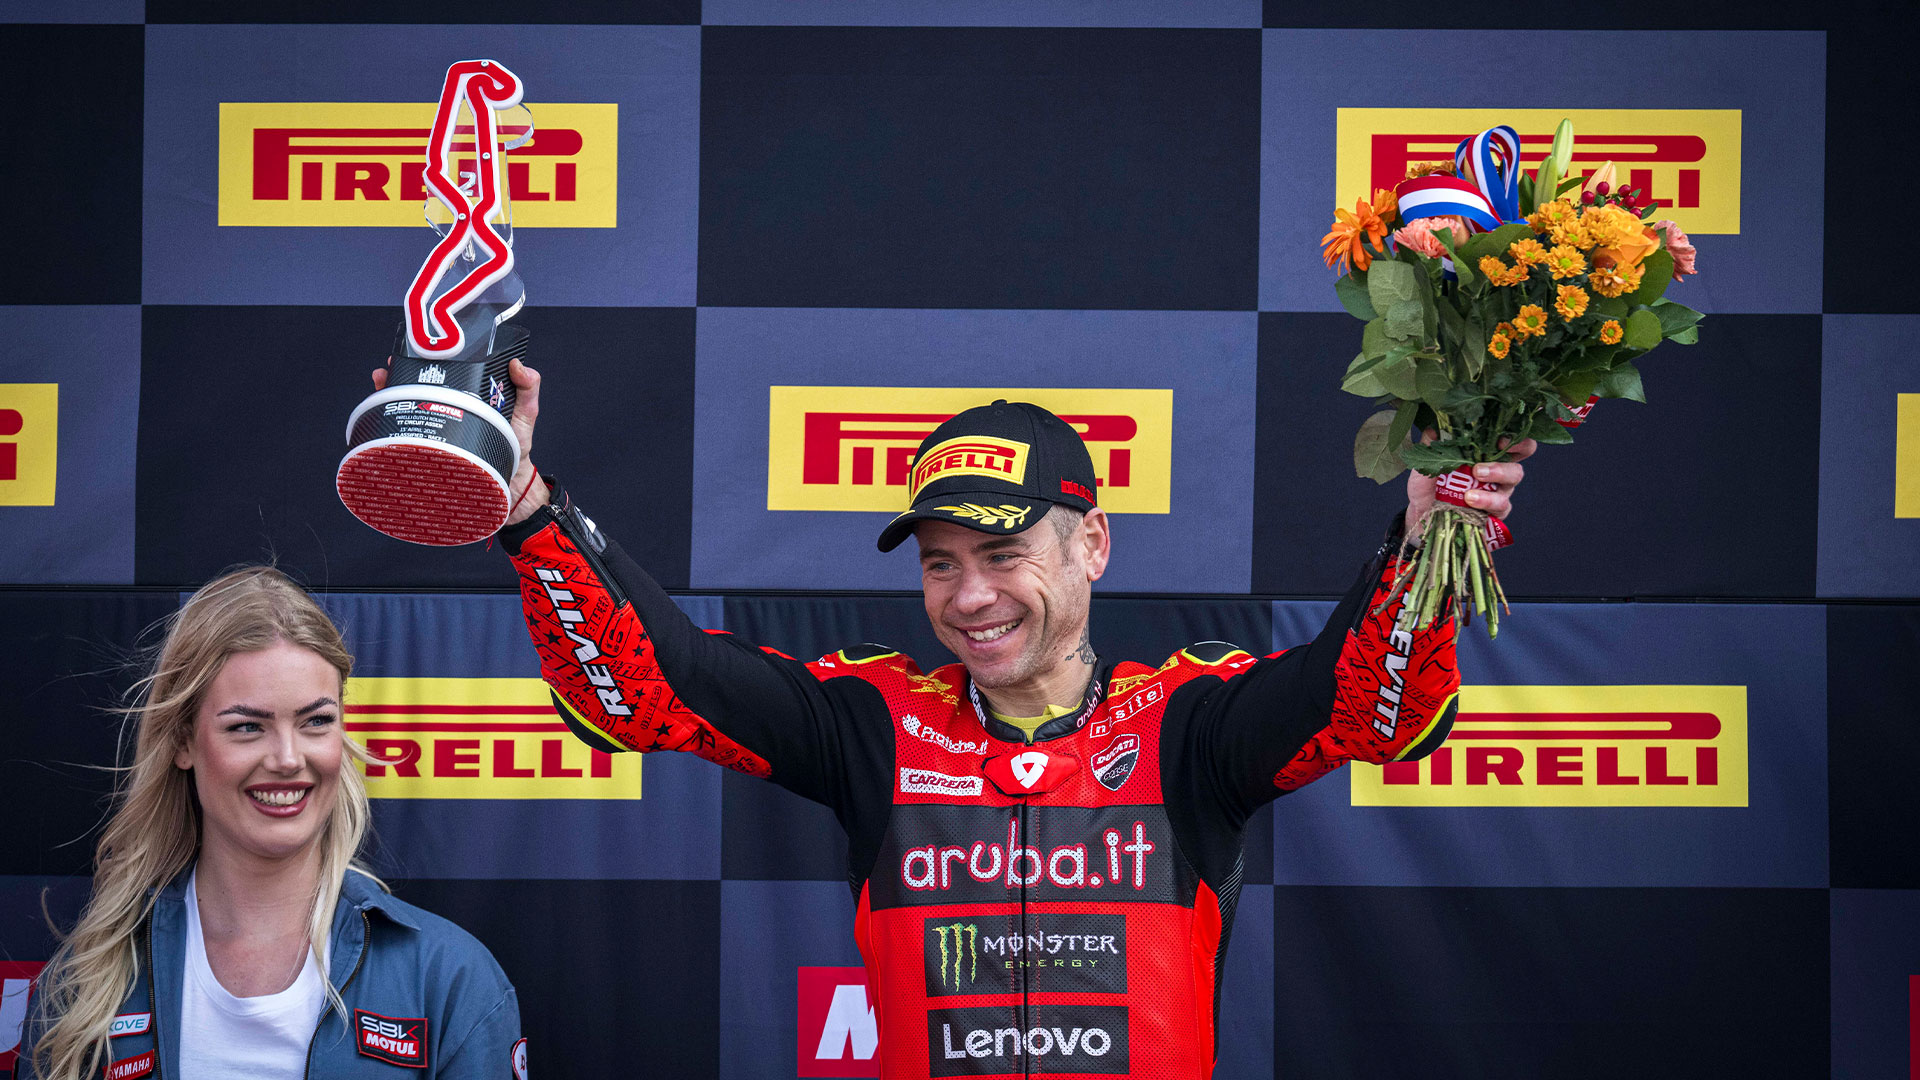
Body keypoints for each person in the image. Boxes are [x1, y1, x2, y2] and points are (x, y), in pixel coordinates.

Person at [420, 358, 1526, 1078]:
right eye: (941, 563)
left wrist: (1427, 537)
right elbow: (652, 685)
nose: (971, 596)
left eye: (1004, 553)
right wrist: (529, 511)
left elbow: (1368, 703)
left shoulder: (1185, 725)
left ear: (1092, 545)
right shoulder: (873, 724)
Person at [24, 567, 525, 1080]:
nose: (288, 758)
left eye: (316, 722)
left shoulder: (449, 979)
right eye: (247, 726)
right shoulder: (86, 985)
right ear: (182, 742)